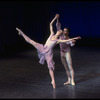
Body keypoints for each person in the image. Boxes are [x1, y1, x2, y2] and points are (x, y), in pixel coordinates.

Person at [16, 14, 80, 89]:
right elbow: (50, 24)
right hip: (43, 48)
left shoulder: (58, 40)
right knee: (32, 41)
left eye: (60, 31)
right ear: (57, 31)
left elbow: (65, 40)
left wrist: (73, 38)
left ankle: (53, 81)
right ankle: (21, 33)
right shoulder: (52, 34)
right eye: (59, 30)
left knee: (50, 67)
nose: (60, 31)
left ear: (60, 33)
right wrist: (55, 18)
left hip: (49, 52)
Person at [56, 15, 77, 85]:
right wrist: (57, 19)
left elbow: (71, 44)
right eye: (64, 30)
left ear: (68, 32)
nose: (64, 32)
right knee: (66, 67)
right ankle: (69, 79)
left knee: (70, 66)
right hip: (62, 53)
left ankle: (72, 80)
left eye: (65, 31)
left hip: (67, 53)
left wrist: (73, 42)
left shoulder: (69, 39)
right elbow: (58, 26)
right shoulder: (60, 36)